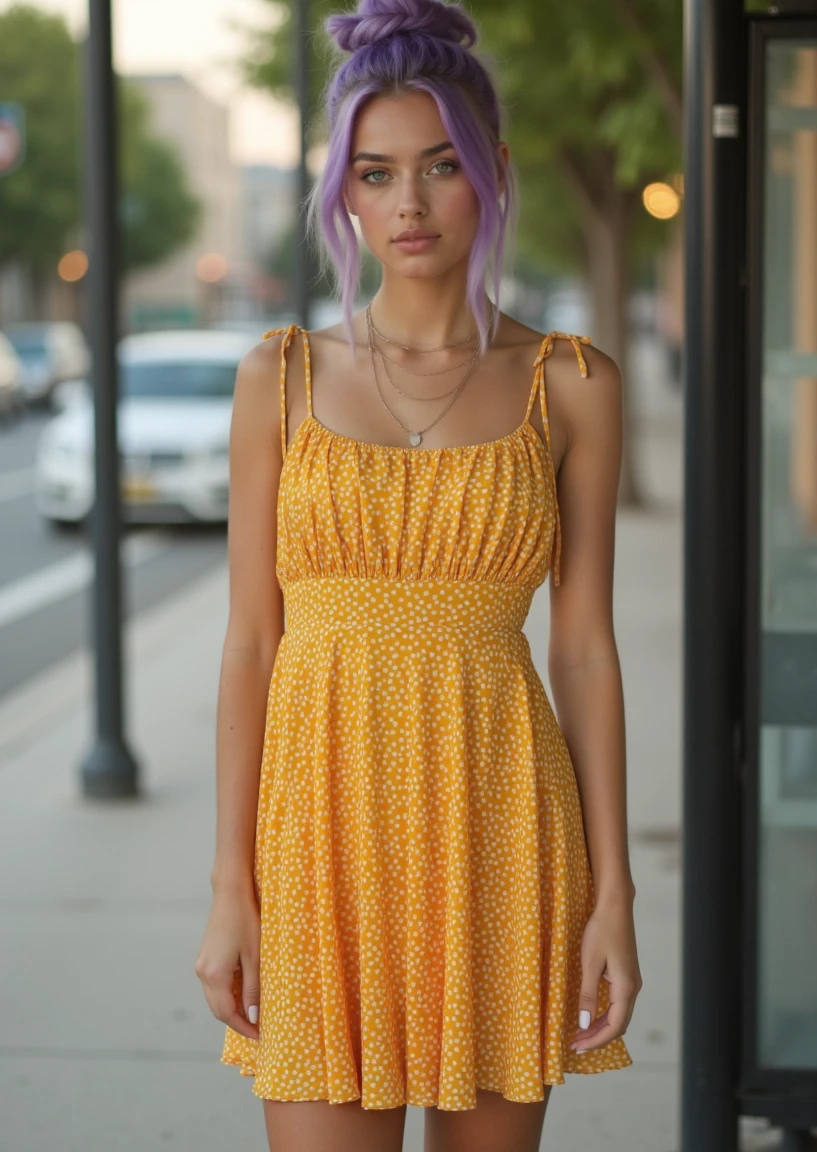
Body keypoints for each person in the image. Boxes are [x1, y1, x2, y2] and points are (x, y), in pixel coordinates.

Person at [194, 0, 642, 1148]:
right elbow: (251, 641)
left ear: (490, 171)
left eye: (440, 167)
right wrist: (229, 888)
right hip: (316, 839)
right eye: (375, 170)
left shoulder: (571, 382)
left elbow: (585, 648)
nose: (408, 203)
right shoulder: (277, 378)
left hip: (499, 826)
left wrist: (613, 898)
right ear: (341, 188)